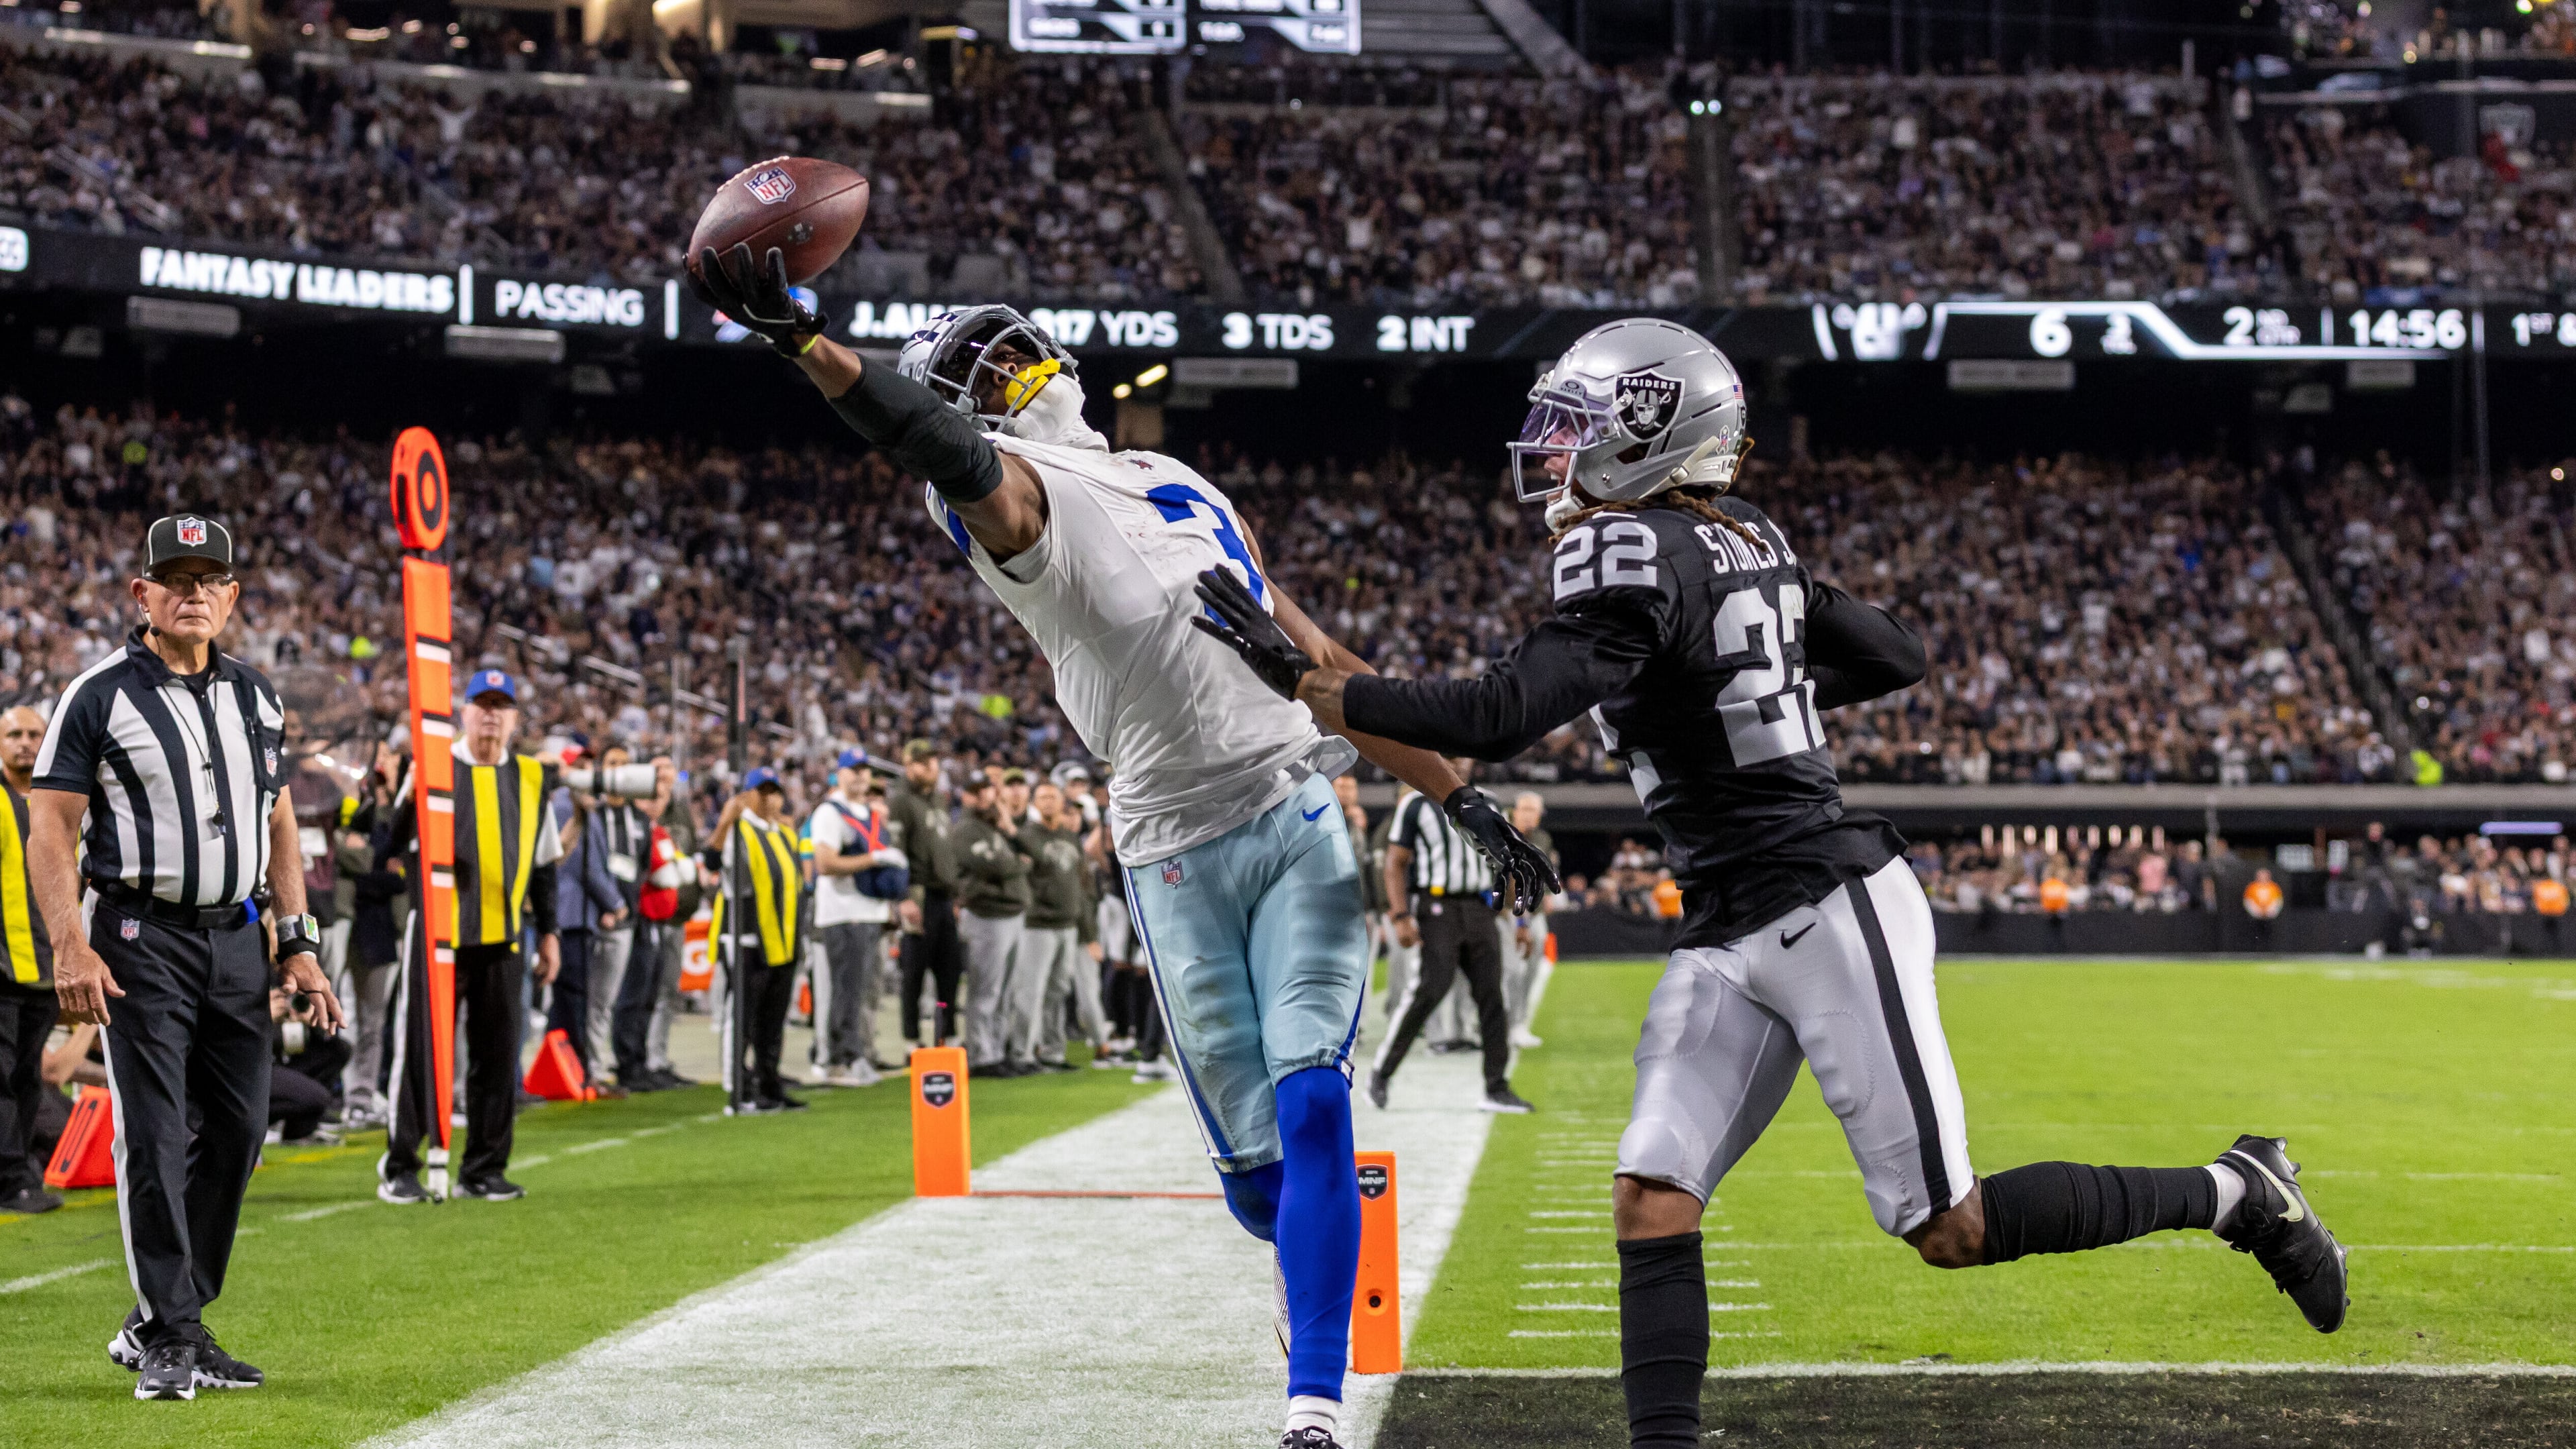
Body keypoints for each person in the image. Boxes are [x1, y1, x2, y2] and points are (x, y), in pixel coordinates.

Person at [1189, 317, 2351, 1449]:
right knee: (1653, 1193)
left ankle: (2238, 1191)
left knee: (1952, 1226)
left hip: (1823, 900)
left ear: (1650, 432)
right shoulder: (1742, 536)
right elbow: (1896, 653)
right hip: (1728, 919)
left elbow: (1497, 714)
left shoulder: (1632, 547)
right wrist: (1745, 684)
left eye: (1575, 426)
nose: (1551, 452)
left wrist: (1314, 683)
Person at [686, 262, 1551, 1449]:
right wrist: (810, 348)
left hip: (1297, 809)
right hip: (1172, 850)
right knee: (1264, 1184)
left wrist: (1459, 791)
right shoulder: (1010, 499)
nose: (1012, 374)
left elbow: (1323, 658)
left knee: (1315, 1110)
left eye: (1010, 351)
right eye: (980, 378)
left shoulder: (1178, 475)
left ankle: (1312, 1403)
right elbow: (932, 444)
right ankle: (1308, 1245)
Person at [30, 514, 343, 1400]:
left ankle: (166, 1319)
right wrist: (71, 944)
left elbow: (277, 821)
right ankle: (171, 1332)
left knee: (242, 1129)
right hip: (140, 937)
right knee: (157, 1134)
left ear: (233, 598)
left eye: (212, 580)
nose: (194, 593)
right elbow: (50, 826)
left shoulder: (257, 697)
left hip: (240, 937)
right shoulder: (97, 694)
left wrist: (299, 943)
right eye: (177, 578)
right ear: (144, 594)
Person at [378, 669, 562, 1206]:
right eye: (482, 703)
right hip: (438, 933)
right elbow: (389, 843)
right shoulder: (434, 767)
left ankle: (484, 1167)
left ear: (515, 718)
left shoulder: (531, 778)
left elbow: (544, 864)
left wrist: (548, 932)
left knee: (499, 1054)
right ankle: (400, 1166)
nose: (490, 714)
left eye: (501, 705)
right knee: (418, 1050)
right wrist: (408, 792)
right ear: (464, 711)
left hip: (503, 934)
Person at [1366, 761, 1529, 1114]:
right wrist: (1400, 915)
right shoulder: (1416, 803)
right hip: (1436, 906)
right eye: (1448, 753)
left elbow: (1507, 860)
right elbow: (1395, 862)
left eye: (1463, 753)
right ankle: (1382, 1072)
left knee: (1492, 996)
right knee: (1430, 989)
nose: (1457, 760)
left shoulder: (1490, 802)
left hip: (1480, 908)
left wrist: (1519, 920)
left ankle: (1496, 1087)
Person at [707, 767, 806, 1112]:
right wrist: (723, 823)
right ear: (746, 797)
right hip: (747, 937)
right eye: (761, 792)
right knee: (743, 1015)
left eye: (775, 792)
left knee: (773, 1019)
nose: (769, 799)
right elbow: (711, 862)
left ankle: (769, 1081)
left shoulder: (785, 834)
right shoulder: (739, 831)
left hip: (783, 939)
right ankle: (738, 1085)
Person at [807, 748, 903, 1087]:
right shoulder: (829, 814)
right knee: (845, 990)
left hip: (871, 912)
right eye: (853, 770)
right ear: (840, 774)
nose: (861, 776)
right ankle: (842, 1058)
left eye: (865, 770)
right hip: (843, 914)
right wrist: (874, 860)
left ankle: (853, 1053)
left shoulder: (871, 814)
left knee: (864, 991)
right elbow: (825, 864)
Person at [0, 705, 61, 1214]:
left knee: (26, 1077)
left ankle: (21, 1174)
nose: (24, 742)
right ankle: (13, 1180)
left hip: (46, 969)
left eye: (33, 734)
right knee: (3, 1077)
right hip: (3, 969)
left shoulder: (59, 801)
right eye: (13, 734)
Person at [546, 757, 629, 1085]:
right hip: (572, 914)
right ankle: (571, 1069)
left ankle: (568, 1068)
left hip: (578, 914)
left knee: (573, 996)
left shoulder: (576, 806)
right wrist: (615, 903)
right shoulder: (569, 806)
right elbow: (586, 864)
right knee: (573, 995)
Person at [582, 743, 658, 1075]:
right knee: (589, 996)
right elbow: (587, 865)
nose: (619, 771)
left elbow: (640, 866)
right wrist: (605, 903)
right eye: (612, 763)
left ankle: (601, 1062)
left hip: (627, 918)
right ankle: (588, 1065)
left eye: (625, 764)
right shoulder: (592, 813)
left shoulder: (639, 819)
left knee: (610, 998)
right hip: (594, 915)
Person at [953, 767, 1032, 1076]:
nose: (986, 795)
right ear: (967, 796)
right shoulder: (965, 830)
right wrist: (1019, 865)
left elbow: (1032, 854)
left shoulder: (997, 827)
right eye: (977, 791)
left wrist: (1008, 826)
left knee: (1006, 991)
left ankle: (997, 1051)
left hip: (1011, 914)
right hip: (986, 915)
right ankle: (981, 1055)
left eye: (988, 789)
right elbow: (1000, 867)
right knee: (986, 990)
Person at [886, 740, 964, 1049]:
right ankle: (911, 1039)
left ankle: (946, 1033)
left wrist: (955, 896)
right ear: (908, 765)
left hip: (944, 897)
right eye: (923, 761)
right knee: (914, 973)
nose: (931, 766)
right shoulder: (902, 801)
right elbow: (895, 850)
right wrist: (903, 896)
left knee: (949, 971)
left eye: (933, 760)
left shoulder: (938, 801)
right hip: (918, 896)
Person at [1022, 779, 1100, 1071]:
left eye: (1053, 797)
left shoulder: (1069, 838)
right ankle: (1024, 1054)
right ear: (1034, 804)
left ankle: (1053, 1052)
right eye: (1042, 798)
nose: (1048, 803)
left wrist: (1089, 933)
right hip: (1037, 925)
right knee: (1031, 992)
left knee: (1058, 990)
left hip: (1068, 926)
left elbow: (1080, 888)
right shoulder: (1026, 836)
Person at [1501, 792, 1557, 1049]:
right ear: (1515, 810)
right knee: (1510, 971)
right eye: (1525, 809)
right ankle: (1506, 1024)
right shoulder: (1504, 833)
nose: (1529, 815)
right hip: (1506, 911)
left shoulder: (1543, 838)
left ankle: (1519, 1022)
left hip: (1535, 912)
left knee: (1534, 966)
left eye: (1534, 810)